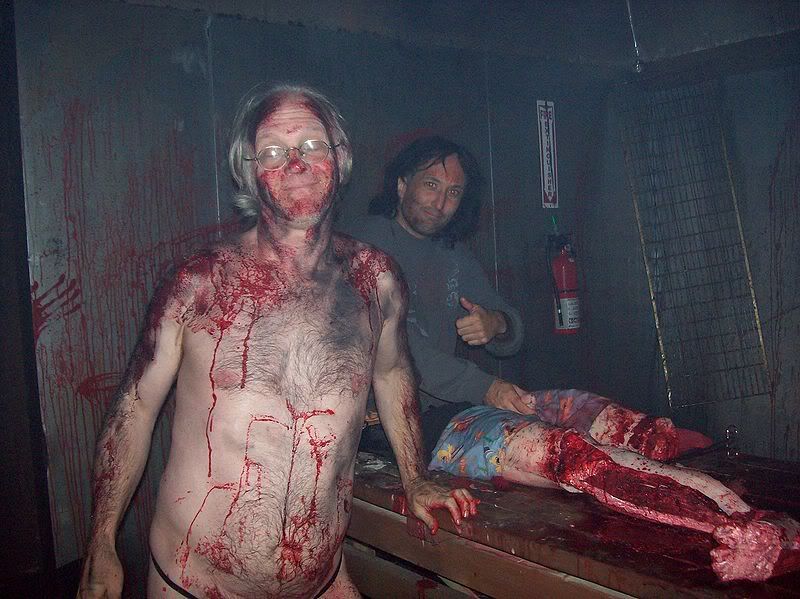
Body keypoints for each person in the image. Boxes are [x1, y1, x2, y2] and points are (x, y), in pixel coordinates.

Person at [77, 84, 478, 599]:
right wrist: (102, 542)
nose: (295, 162)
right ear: (248, 172)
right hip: (195, 582)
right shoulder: (199, 283)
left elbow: (393, 372)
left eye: (311, 144)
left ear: (340, 158)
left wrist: (415, 477)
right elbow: (135, 408)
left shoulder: (375, 280)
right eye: (271, 151)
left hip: (321, 581)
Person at [429, 391, 800, 583]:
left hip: (472, 408)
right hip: (454, 426)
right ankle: (746, 519)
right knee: (579, 460)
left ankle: (745, 514)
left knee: (636, 432)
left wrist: (499, 327)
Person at [343, 136, 529, 453]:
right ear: (402, 185)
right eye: (431, 185)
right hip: (370, 425)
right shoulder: (366, 243)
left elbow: (513, 332)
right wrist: (486, 387)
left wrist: (495, 323)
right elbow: (400, 347)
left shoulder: (453, 254)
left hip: (431, 415)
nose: (440, 203)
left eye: (453, 192)